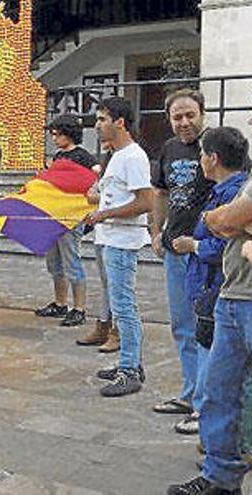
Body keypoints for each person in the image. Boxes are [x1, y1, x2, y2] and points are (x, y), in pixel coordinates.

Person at [168, 82, 252, 495]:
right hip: (232, 297)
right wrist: (235, 220)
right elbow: (220, 218)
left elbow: (222, 222)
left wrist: (231, 221)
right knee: (218, 392)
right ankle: (220, 477)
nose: (250, 120)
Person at [171, 127, 252, 454]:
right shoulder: (221, 190)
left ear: (213, 158)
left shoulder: (234, 193)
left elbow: (224, 242)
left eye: (203, 154)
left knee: (227, 375)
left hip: (219, 288)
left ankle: (231, 445)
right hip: (209, 290)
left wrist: (194, 245)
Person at [150, 89, 214, 427]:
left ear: (202, 113)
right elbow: (160, 193)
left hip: (204, 256)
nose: (184, 123)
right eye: (177, 117)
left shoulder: (217, 145)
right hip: (174, 252)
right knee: (182, 327)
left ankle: (205, 404)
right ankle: (191, 393)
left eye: (190, 115)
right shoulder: (169, 149)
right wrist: (155, 231)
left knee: (205, 328)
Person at [84, 96, 154, 397]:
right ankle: (129, 361)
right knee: (118, 302)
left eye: (102, 119)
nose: (98, 125)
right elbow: (117, 196)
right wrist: (98, 199)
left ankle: (129, 370)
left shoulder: (134, 157)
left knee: (124, 305)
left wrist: (104, 214)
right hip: (109, 238)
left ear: (120, 122)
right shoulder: (118, 155)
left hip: (122, 241)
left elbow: (145, 201)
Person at [35, 114, 95, 327]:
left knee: (72, 261)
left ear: (68, 133)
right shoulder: (58, 157)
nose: (53, 138)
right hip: (54, 216)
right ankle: (60, 303)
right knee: (54, 263)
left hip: (72, 218)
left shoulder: (84, 157)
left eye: (56, 134)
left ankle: (79, 308)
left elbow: (97, 179)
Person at [80, 153, 120, 353]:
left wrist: (103, 197)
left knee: (118, 286)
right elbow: (91, 194)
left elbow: (132, 198)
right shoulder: (106, 168)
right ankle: (104, 324)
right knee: (106, 283)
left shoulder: (131, 159)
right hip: (101, 232)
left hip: (119, 234)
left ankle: (117, 330)